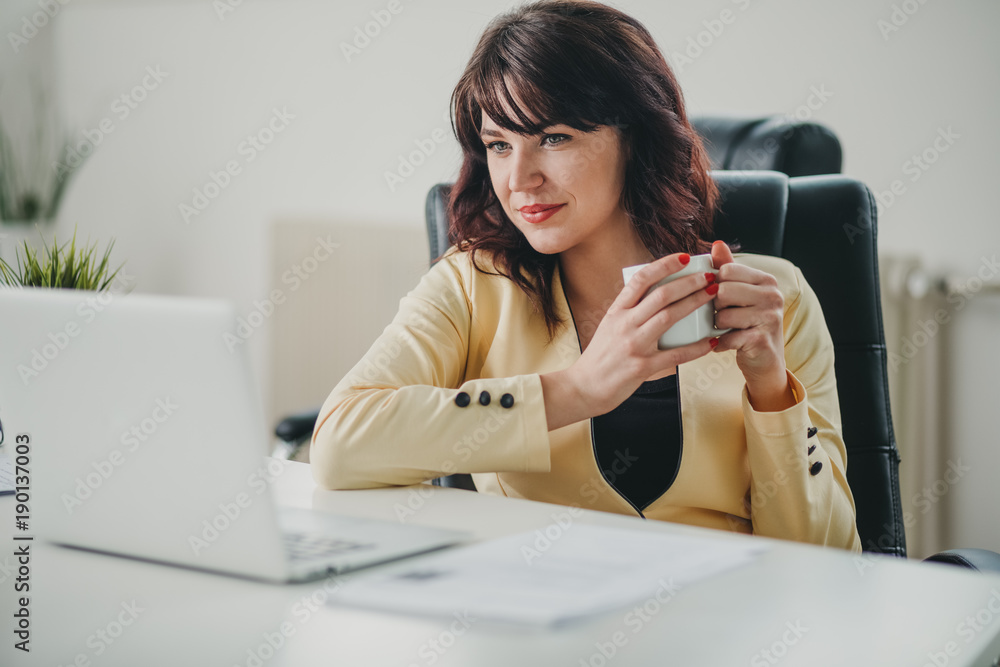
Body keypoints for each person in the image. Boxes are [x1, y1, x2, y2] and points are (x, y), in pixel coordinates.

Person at [311, 0, 861, 552]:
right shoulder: (472, 285)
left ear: (636, 137)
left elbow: (830, 554)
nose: (519, 179)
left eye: (553, 138)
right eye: (499, 145)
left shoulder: (774, 298)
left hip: (727, 619)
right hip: (540, 610)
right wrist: (578, 390)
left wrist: (772, 393)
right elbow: (339, 444)